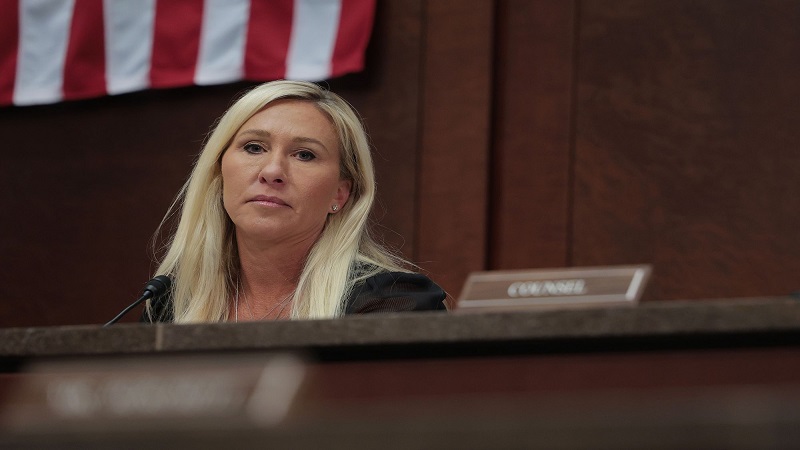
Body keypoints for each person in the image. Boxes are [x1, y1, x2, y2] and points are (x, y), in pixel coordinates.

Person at [142, 80, 446, 323]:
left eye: (304, 154)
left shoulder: (391, 303)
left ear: (340, 194)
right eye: (254, 147)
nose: (272, 171)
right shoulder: (169, 305)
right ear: (219, 173)